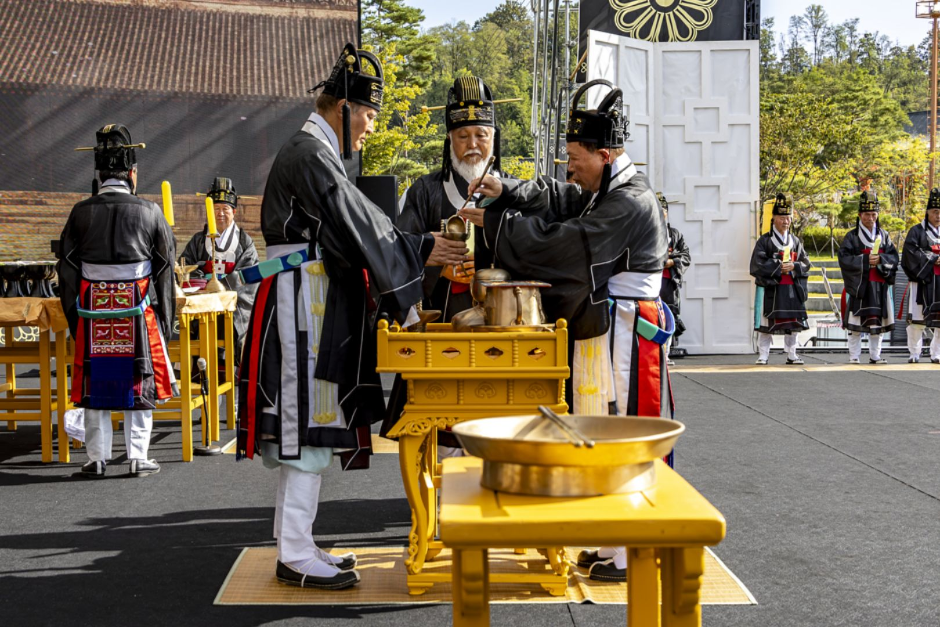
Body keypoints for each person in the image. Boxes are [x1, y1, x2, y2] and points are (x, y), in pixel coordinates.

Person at [235, 44, 468, 591]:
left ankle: (297, 544)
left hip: (306, 298)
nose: (368, 127)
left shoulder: (313, 151)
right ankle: (293, 553)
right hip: (299, 305)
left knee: (307, 424)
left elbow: (353, 226)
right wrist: (420, 246)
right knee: (304, 426)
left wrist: (411, 245)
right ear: (341, 106)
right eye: (367, 115)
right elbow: (359, 222)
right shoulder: (311, 154)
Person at [462, 79, 670, 582]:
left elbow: (566, 244)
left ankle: (630, 548)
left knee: (623, 428)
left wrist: (493, 226)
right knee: (600, 425)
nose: (570, 167)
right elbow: (558, 198)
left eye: (575, 157)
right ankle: (611, 538)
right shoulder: (608, 190)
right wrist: (506, 188)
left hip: (627, 329)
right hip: (607, 322)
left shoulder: (630, 203)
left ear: (602, 154)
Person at [57, 124, 177, 479]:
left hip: (92, 310)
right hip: (137, 309)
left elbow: (66, 270)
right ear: (133, 173)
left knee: (96, 380)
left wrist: (75, 318)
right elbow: (165, 269)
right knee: (138, 378)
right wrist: (165, 321)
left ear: (98, 174)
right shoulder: (150, 212)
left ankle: (96, 458)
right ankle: (138, 456)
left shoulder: (80, 212)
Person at [397, 75, 504, 321]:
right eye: (463, 136)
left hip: (501, 316)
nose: (473, 144)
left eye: (481, 135)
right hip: (441, 313)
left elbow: (532, 252)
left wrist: (488, 266)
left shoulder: (514, 190)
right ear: (449, 138)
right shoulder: (424, 190)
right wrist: (439, 266)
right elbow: (399, 246)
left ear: (493, 137)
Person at [179, 177, 259, 358]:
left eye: (225, 209)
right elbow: (185, 267)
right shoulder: (198, 241)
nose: (220, 213)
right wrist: (204, 287)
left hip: (234, 306)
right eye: (215, 209)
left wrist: (221, 290)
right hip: (203, 305)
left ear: (234, 212)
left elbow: (250, 275)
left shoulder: (245, 242)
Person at [838, 190, 898, 365]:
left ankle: (875, 356)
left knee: (876, 324)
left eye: (873, 214)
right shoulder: (852, 236)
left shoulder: (884, 235)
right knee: (855, 322)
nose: (870, 218)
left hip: (879, 283)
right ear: (859, 215)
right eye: (866, 214)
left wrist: (881, 259)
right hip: (860, 285)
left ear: (877, 215)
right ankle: (854, 356)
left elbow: (894, 257)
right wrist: (864, 260)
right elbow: (844, 259)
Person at [749, 193, 810, 365]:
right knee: (766, 324)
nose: (785, 221)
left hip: (792, 287)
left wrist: (794, 266)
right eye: (782, 217)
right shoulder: (765, 241)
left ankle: (792, 354)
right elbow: (757, 263)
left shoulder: (795, 241)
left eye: (788, 218)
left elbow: (806, 262)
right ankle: (763, 355)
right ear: (774, 218)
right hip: (773, 287)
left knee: (793, 324)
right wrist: (777, 266)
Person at [901, 189, 940, 363]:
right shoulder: (916, 231)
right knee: (917, 321)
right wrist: (933, 259)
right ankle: (914, 353)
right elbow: (910, 253)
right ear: (927, 212)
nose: (938, 216)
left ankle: (936, 353)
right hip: (922, 280)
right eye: (935, 212)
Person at [657, 193, 691, 366]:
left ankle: (666, 353)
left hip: (669, 283)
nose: (660, 213)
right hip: (652, 283)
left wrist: (671, 261)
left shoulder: (675, 235)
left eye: (663, 210)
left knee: (669, 317)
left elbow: (686, 256)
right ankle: (654, 354)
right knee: (652, 317)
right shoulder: (646, 232)